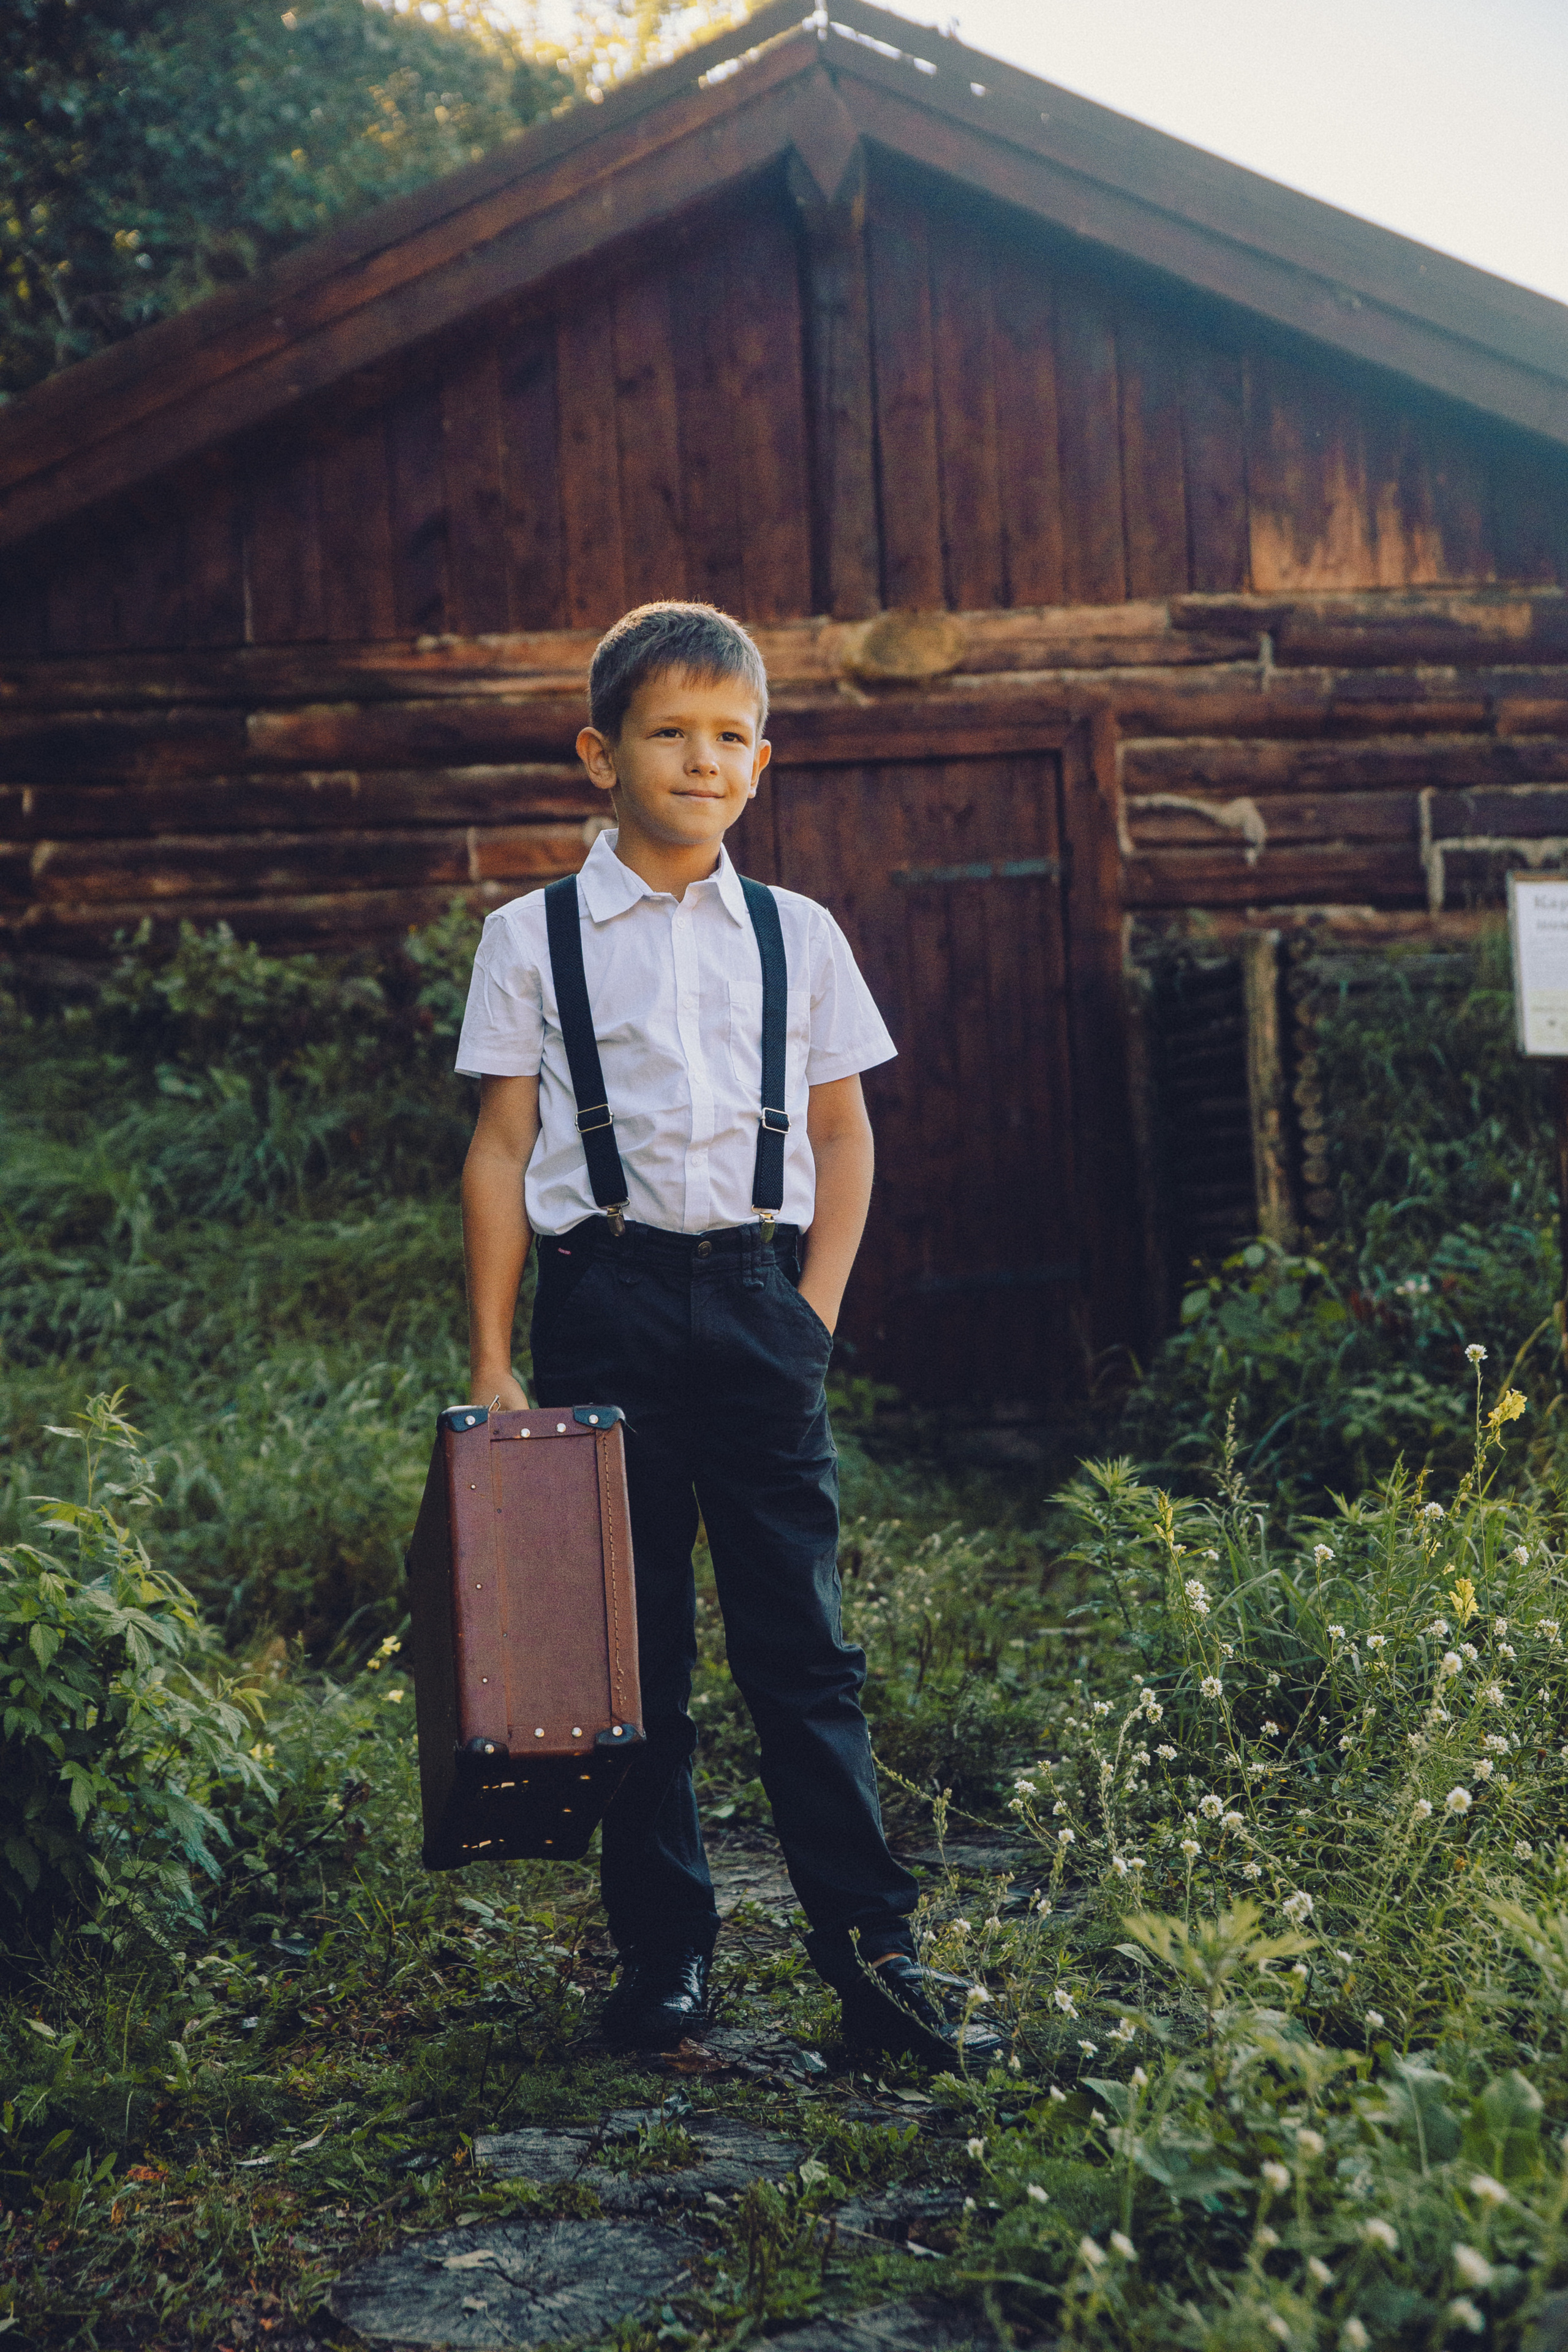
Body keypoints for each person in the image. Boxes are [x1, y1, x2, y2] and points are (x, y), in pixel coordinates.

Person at [454, 601, 998, 2066]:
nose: (705, 761)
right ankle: (665, 1959)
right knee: (631, 1664)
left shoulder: (796, 933)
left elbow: (844, 1132)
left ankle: (871, 1962)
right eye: (670, 734)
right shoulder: (531, 936)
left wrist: (809, 1313)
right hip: (604, 1308)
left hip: (759, 1304)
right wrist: (496, 1360)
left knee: (802, 1652)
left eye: (732, 737)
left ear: (762, 760)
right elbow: (503, 1152)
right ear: (599, 754)